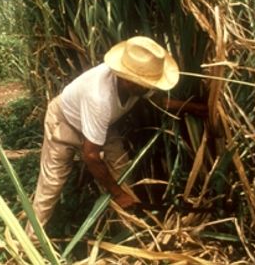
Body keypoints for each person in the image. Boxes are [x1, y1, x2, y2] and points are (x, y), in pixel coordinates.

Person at [27, 36, 207, 233]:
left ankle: (130, 230)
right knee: (52, 183)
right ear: (125, 78)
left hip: (101, 127)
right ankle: (30, 241)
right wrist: (118, 194)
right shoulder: (99, 97)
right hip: (65, 123)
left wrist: (194, 108)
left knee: (122, 172)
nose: (147, 88)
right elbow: (91, 156)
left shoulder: (138, 84)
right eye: (143, 84)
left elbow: (158, 101)